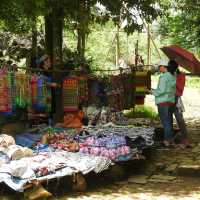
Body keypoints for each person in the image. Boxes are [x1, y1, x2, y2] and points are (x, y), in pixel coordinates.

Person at [151, 60, 176, 147]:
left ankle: (166, 141)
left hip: (163, 102)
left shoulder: (163, 77)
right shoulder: (172, 76)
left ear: (163, 66)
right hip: (170, 101)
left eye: (159, 66)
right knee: (169, 121)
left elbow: (161, 91)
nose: (158, 68)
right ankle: (170, 140)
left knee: (165, 122)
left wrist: (151, 91)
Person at [168, 60, 190, 148]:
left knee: (180, 120)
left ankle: (185, 139)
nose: (169, 68)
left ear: (175, 67)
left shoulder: (181, 75)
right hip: (168, 99)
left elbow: (180, 88)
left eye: (170, 67)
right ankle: (170, 139)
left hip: (176, 99)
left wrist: (174, 79)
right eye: (168, 66)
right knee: (168, 120)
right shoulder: (167, 75)